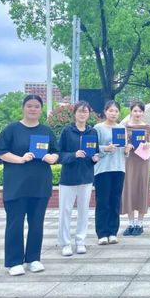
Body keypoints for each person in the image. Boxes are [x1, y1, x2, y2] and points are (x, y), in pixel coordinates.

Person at [0, 94, 59, 276]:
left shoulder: (46, 131)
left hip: (40, 185)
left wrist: (52, 158)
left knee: (37, 223)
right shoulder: (12, 129)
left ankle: (33, 259)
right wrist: (20, 159)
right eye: (29, 106)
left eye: (36, 106)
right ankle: (14, 262)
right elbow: (0, 152)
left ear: (41, 109)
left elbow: (56, 152)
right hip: (16, 185)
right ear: (23, 107)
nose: (33, 109)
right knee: (15, 223)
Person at [57, 100, 99, 256]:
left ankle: (80, 241)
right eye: (80, 111)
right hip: (68, 178)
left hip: (86, 177)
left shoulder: (92, 132)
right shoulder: (67, 131)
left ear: (89, 114)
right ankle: (65, 243)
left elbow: (94, 152)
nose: (82, 114)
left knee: (84, 211)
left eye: (85, 111)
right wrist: (74, 155)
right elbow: (59, 155)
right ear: (74, 113)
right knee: (65, 211)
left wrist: (95, 158)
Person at [93, 100, 127, 245]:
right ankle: (102, 233)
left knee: (115, 201)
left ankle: (113, 232)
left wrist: (127, 149)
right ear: (105, 111)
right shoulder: (98, 128)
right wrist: (105, 148)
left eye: (116, 111)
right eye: (111, 110)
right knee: (103, 202)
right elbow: (93, 148)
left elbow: (124, 150)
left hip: (118, 168)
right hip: (103, 169)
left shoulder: (121, 128)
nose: (113, 113)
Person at [121, 101, 150, 236]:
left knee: (141, 189)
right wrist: (126, 147)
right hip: (129, 161)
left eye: (140, 111)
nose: (137, 113)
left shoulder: (147, 128)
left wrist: (148, 145)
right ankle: (131, 223)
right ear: (131, 111)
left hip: (143, 161)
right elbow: (120, 144)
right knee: (129, 190)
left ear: (143, 113)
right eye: (135, 111)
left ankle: (139, 223)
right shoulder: (124, 127)